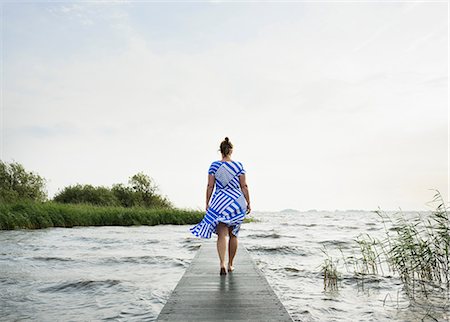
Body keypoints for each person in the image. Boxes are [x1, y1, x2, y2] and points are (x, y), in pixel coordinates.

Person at [190, 137, 251, 275]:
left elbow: (210, 186)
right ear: (231, 150)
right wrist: (248, 202)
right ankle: (230, 265)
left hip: (219, 201)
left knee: (222, 234)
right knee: (233, 234)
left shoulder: (214, 166)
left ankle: (222, 263)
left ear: (221, 151)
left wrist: (207, 202)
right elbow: (244, 186)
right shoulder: (239, 166)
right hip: (236, 202)